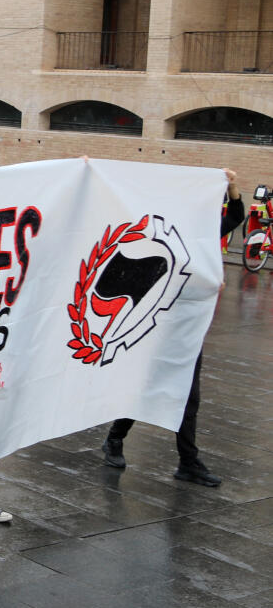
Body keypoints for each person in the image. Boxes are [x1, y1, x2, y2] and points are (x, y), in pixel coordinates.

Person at [100, 168, 245, 488]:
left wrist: (231, 185)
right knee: (144, 388)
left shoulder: (205, 234)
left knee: (188, 397)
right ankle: (114, 439)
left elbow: (236, 216)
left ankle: (188, 462)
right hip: (157, 330)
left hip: (188, 331)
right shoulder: (163, 241)